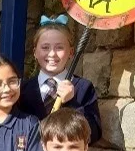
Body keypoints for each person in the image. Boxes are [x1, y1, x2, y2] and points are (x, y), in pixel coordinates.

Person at [19, 16, 102, 144]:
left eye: (59, 48)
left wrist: (72, 104)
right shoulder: (23, 90)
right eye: (45, 47)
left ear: (71, 52)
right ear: (35, 52)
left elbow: (93, 135)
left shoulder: (83, 88)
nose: (52, 54)